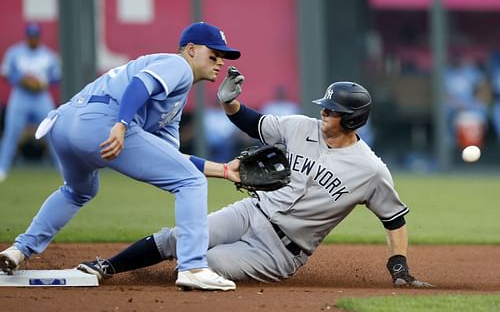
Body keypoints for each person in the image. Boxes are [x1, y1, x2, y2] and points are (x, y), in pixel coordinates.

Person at [76, 75, 432, 288]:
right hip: (252, 212)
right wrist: (231, 103)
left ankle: (165, 278)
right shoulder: (298, 127)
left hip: (280, 252)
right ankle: (108, 267)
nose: (323, 111)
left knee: (205, 263)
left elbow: (394, 219)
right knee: (180, 237)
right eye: (325, 106)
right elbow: (254, 123)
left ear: (351, 120)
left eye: (331, 109)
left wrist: (398, 263)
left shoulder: (370, 170)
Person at [0, 21, 241, 291]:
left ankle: (19, 249)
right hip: (103, 123)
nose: (220, 61)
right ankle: (194, 267)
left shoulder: (176, 98)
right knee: (191, 183)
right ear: (192, 50)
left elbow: (172, 158)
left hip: (64, 124)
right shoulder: (179, 66)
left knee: (78, 191)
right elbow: (140, 84)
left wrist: (223, 170)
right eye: (214, 54)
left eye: (223, 56)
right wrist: (122, 124)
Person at [0, 22, 61, 182]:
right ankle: (2, 168)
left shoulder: (48, 55)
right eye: (30, 36)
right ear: (26, 36)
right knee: (11, 132)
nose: (32, 39)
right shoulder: (15, 52)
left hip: (41, 96)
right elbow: (5, 73)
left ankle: (63, 170)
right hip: (20, 95)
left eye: (35, 36)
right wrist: (21, 80)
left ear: (39, 37)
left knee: (51, 133)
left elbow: (56, 76)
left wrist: (43, 83)